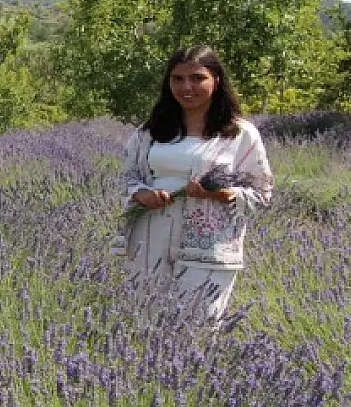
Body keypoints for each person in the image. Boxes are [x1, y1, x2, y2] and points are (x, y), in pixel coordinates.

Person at [116, 45, 273, 322]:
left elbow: (261, 192)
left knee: (198, 327)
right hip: (150, 237)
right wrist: (142, 194)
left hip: (209, 245)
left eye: (197, 78)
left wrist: (218, 194)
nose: (186, 86)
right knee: (145, 323)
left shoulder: (240, 134)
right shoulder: (151, 131)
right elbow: (127, 175)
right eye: (177, 79)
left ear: (216, 80)